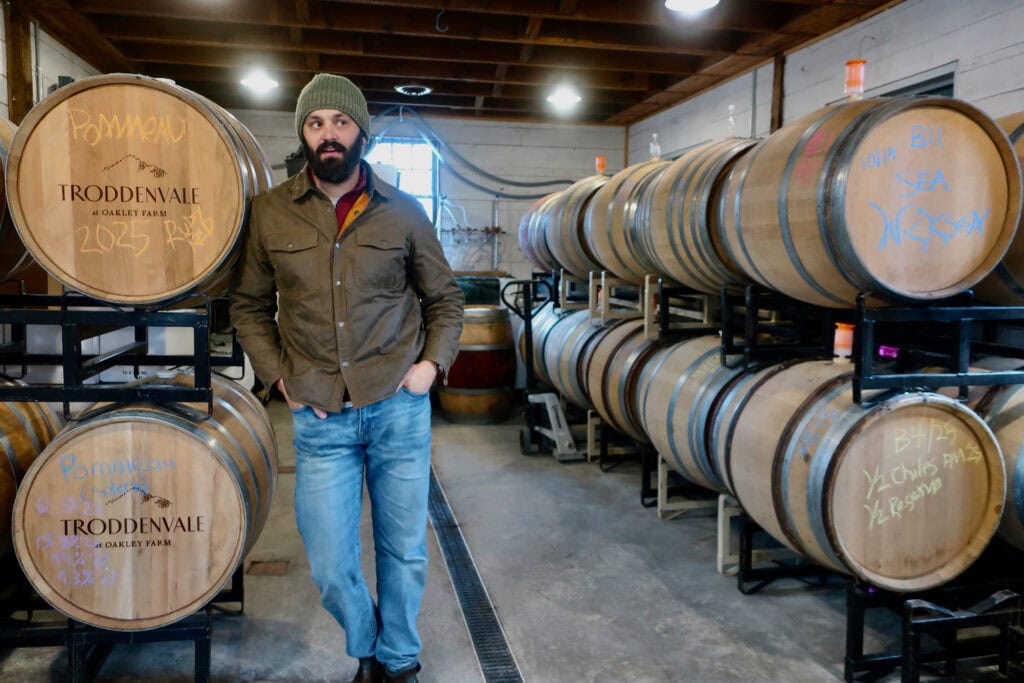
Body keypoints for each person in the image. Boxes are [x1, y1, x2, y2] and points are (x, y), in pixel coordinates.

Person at [230, 73, 464, 683]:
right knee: (331, 562)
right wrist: (279, 376)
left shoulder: (405, 212)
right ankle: (366, 642)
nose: (327, 134)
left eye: (340, 122)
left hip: (397, 406)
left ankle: (398, 660)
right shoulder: (269, 213)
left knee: (404, 550)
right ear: (302, 135)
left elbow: (445, 300)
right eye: (315, 123)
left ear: (362, 132)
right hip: (318, 414)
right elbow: (248, 306)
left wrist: (429, 367)